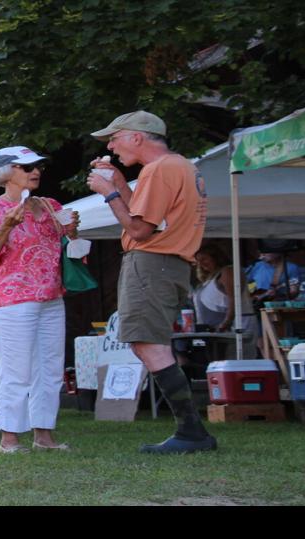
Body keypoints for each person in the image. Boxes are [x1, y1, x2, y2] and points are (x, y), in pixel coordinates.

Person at [86, 111, 216, 455]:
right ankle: (191, 430)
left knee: (147, 344)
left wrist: (107, 193)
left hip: (153, 262)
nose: (111, 147)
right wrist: (118, 183)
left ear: (137, 137)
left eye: (115, 138)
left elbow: (140, 230)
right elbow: (149, 218)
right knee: (148, 342)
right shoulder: (179, 166)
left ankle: (192, 432)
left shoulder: (159, 169)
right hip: (168, 263)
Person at [0, 146, 78, 453]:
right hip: (10, 299)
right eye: (26, 166)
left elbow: (69, 250)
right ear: (6, 173)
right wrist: (7, 225)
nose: (36, 171)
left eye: (38, 166)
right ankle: (9, 439)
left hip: (50, 296)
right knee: (16, 370)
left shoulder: (50, 204)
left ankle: (43, 436)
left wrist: (73, 233)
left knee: (50, 368)